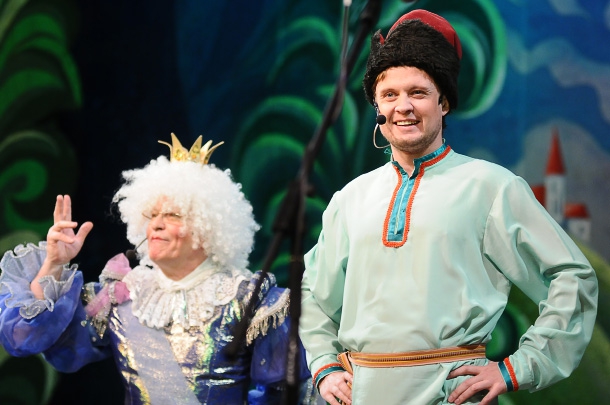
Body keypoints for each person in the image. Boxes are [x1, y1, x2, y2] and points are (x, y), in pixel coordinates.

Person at [299, 9, 598, 405]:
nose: (403, 106)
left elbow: (571, 276)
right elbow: (315, 293)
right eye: (390, 95)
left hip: (450, 395)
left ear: (443, 103)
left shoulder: (490, 187)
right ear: (377, 107)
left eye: (418, 93)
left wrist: (520, 366)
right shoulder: (351, 198)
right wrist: (324, 365)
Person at [0, 134, 316, 404]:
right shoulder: (121, 295)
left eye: (173, 215)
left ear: (208, 228)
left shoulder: (246, 299)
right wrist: (54, 264)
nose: (157, 225)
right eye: (152, 215)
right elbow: (30, 337)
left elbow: (290, 390)